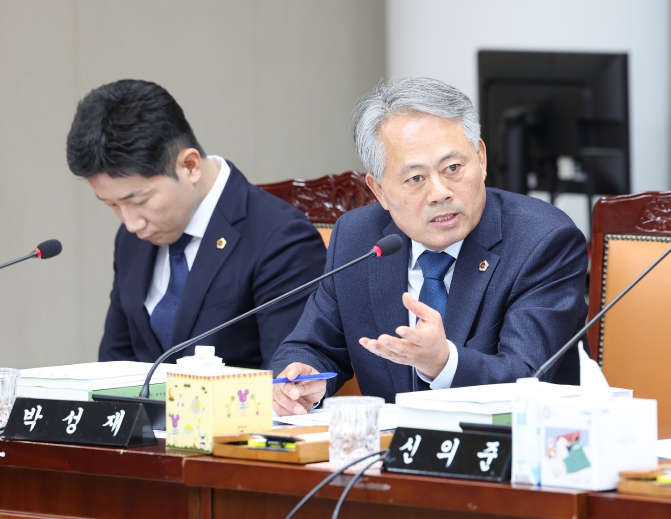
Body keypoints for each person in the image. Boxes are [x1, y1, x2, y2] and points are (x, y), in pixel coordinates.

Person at [270, 77, 589, 415]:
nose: (440, 193)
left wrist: (443, 362)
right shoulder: (358, 238)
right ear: (379, 191)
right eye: (415, 179)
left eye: (452, 168)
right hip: (390, 444)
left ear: (481, 159)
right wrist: (298, 378)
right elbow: (312, 345)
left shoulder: (542, 241)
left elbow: (527, 378)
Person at [66, 79, 326, 367]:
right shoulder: (131, 239)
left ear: (189, 166)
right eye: (112, 205)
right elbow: (115, 363)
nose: (130, 223)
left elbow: (287, 378)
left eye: (139, 201)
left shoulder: (280, 237)